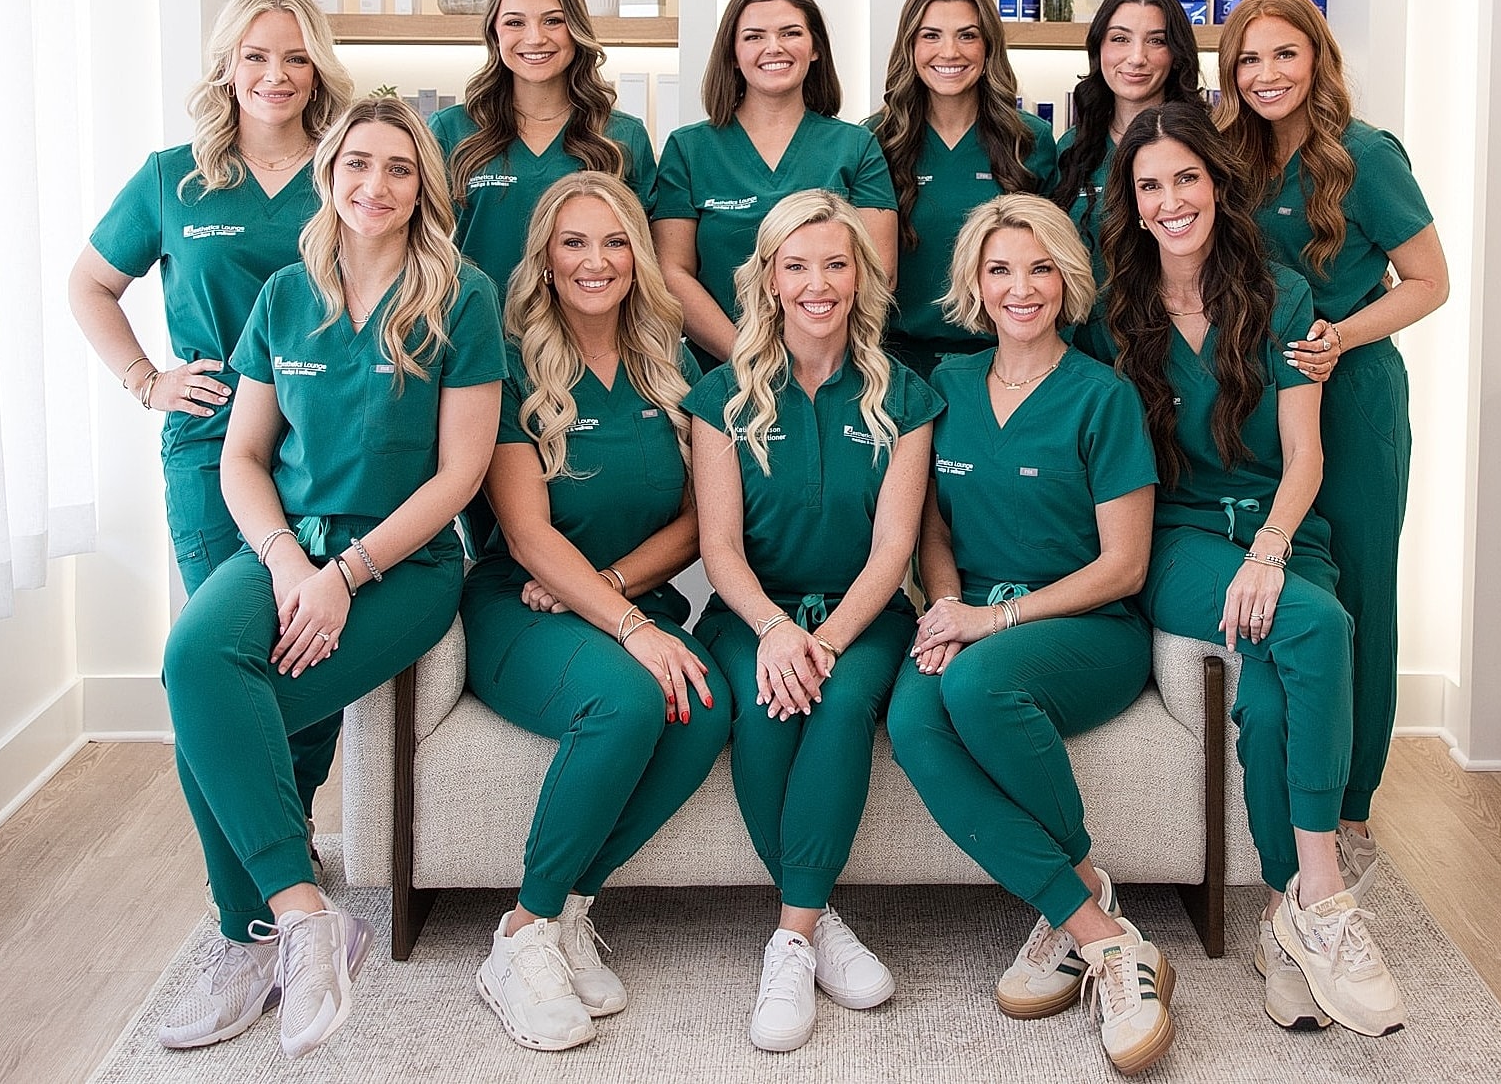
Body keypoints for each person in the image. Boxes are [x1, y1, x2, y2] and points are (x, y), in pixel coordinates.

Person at [156, 97, 503, 1058]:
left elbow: (460, 475)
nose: (375, 185)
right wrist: (286, 561)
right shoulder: (284, 294)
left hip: (404, 562)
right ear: (329, 173)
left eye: (399, 168)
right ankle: (301, 917)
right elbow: (242, 458)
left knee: (225, 707)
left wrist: (345, 573)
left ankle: (246, 933)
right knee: (194, 661)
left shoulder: (461, 297)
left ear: (423, 187)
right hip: (284, 547)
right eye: (358, 164)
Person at [1094, 100, 1405, 1039]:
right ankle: (1328, 898)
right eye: (1150, 184)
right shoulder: (1113, 309)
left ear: (1216, 183)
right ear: (1134, 203)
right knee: (1318, 625)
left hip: (1280, 526)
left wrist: (1269, 549)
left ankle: (1281, 918)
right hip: (1181, 538)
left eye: (1186, 176)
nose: (1171, 198)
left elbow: (1304, 457)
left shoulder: (1280, 292)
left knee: (1271, 697)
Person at [887, 195, 1175, 1077]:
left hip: (1085, 630)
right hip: (966, 614)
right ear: (975, 282)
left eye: (1041, 267)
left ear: (1066, 279)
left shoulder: (1103, 394)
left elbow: (1124, 565)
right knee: (911, 719)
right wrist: (944, 608)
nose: (1022, 287)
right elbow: (932, 524)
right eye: (1001, 268)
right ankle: (1098, 927)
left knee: (976, 684)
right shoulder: (946, 384)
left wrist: (992, 621)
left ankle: (1075, 910)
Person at [69, 0, 353, 831]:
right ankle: (246, 863)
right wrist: (144, 378)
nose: (277, 74)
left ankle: (288, 830)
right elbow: (89, 283)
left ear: (318, 70)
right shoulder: (173, 178)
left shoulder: (346, 170)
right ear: (227, 66)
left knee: (310, 652)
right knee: (219, 655)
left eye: (297, 56)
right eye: (257, 55)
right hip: (208, 445)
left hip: (323, 449)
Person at [462, 172, 730, 1053]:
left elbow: (701, 522)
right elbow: (528, 535)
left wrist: (616, 589)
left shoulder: (669, 361)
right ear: (544, 255)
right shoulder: (507, 360)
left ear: (636, 257)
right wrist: (630, 625)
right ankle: (519, 934)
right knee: (625, 698)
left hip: (618, 598)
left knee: (703, 705)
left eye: (613, 241)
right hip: (520, 604)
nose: (595, 260)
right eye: (574, 241)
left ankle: (569, 906)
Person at [687, 190, 936, 1053]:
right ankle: (819, 923)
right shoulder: (720, 393)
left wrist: (822, 640)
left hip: (863, 618)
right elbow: (718, 544)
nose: (817, 282)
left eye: (835, 263)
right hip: (747, 614)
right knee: (762, 705)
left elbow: (893, 547)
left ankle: (787, 937)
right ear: (768, 279)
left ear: (859, 274)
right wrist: (772, 630)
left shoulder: (904, 394)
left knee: (832, 703)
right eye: (796, 265)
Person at [1214, 0, 1447, 883]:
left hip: (1348, 395)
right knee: (1293, 575)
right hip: (1260, 396)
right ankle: (1291, 784)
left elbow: (1428, 280)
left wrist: (1341, 335)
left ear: (1317, 59)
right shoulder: (1228, 158)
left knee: (1357, 591)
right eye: (1248, 59)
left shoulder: (1364, 155)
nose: (1266, 75)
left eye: (1284, 55)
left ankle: (1349, 806)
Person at [655, 0, 896, 364]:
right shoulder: (689, 149)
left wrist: (809, 363)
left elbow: (878, 272)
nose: (774, 47)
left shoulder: (855, 146)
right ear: (732, 53)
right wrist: (747, 356)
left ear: (815, 47)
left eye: (791, 32)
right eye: (753, 36)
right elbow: (672, 272)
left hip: (831, 369)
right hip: (722, 368)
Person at [868, 0, 1056, 380]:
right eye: (931, 35)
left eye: (967, 35)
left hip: (1004, 363)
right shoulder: (874, 141)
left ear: (988, 47)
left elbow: (1053, 264)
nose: (949, 52)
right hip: (894, 365)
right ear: (910, 46)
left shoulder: (1029, 140)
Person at [430, 0, 657, 293]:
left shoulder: (621, 136)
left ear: (576, 28)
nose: (535, 38)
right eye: (515, 23)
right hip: (481, 334)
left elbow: (641, 262)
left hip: (586, 337)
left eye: (553, 21)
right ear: (494, 32)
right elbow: (419, 247)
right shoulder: (452, 130)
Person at [1051, 0, 1205, 267]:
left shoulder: (1203, 145)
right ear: (1099, 48)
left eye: (1156, 40)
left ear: (1175, 54)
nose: (1137, 58)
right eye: (1120, 39)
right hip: (1084, 312)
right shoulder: (1072, 147)